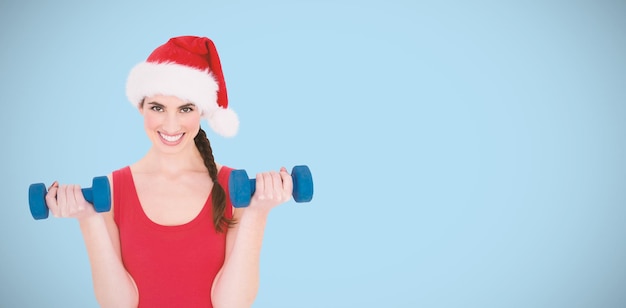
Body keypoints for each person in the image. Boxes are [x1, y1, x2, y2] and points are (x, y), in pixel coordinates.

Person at [44, 36, 293, 308]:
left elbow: (230, 304)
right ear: (141, 107)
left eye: (185, 108)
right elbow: (119, 304)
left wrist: (257, 213)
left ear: (202, 112)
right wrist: (87, 219)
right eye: (158, 108)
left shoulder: (235, 189)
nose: (171, 125)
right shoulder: (112, 191)